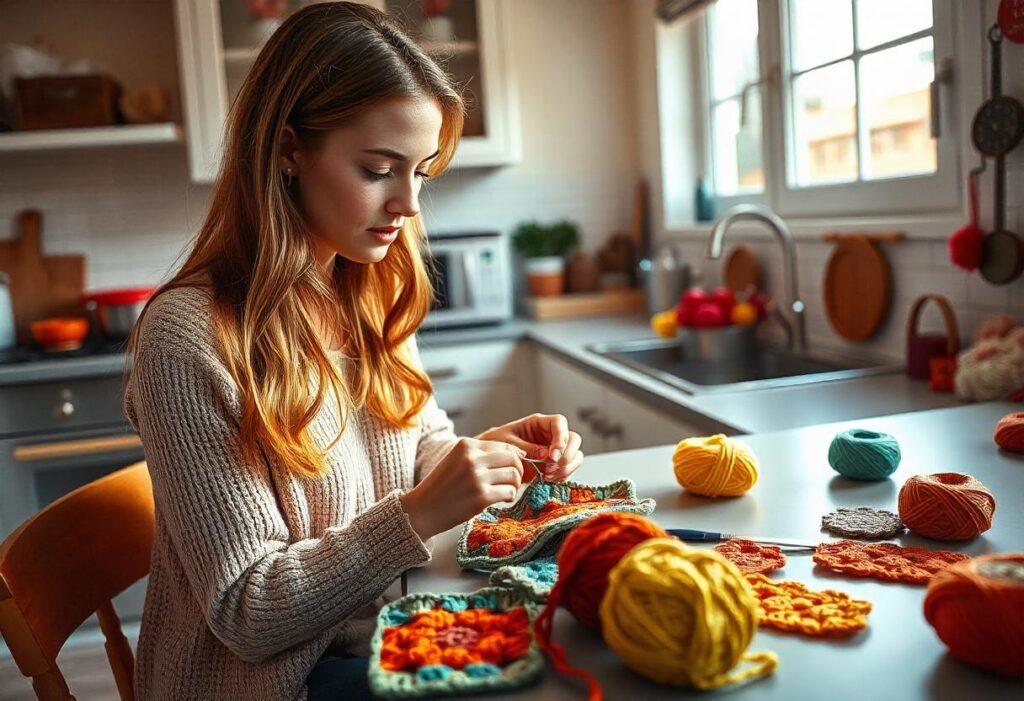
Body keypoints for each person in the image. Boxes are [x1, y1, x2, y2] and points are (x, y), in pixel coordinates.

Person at [123, 3, 583, 699]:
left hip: (374, 636)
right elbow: (246, 611)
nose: (410, 204)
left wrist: (485, 459)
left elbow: (419, 445)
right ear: (287, 149)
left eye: (422, 171)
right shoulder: (188, 338)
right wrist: (422, 512)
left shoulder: (366, 287)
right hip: (277, 682)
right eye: (378, 169)